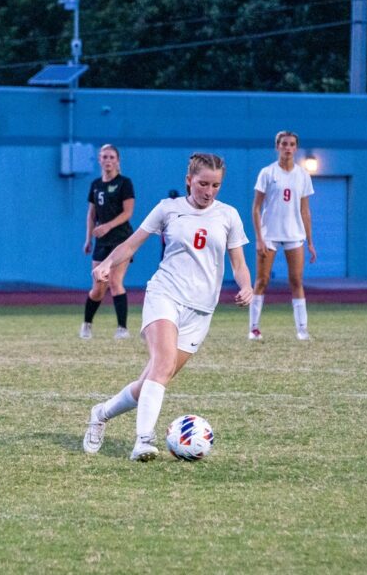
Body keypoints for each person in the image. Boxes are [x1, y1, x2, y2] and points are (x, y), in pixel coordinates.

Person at [82, 152, 253, 461]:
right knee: (161, 366)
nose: (208, 191)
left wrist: (246, 286)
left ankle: (101, 413)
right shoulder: (168, 209)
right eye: (202, 184)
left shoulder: (228, 215)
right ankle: (143, 441)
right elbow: (132, 243)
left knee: (153, 379)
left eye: (215, 185)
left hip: (200, 311)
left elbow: (238, 263)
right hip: (165, 295)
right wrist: (106, 264)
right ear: (189, 181)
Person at [248, 130, 317, 341]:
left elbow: (305, 210)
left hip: (294, 234)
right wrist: (259, 238)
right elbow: (256, 208)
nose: (288, 148)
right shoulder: (267, 173)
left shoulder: (302, 175)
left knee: (296, 280)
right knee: (262, 280)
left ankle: (302, 330)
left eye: (292, 144)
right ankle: (253, 328)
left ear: (296, 148)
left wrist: (311, 242)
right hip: (269, 234)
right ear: (277, 146)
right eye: (284, 144)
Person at [80, 144, 135, 340]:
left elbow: (128, 213)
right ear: (99, 160)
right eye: (104, 157)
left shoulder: (124, 183)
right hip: (101, 242)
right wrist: (88, 239)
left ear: (117, 160)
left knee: (115, 281)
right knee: (98, 287)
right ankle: (86, 324)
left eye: (111, 157)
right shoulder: (96, 185)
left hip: (121, 240)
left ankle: (122, 328)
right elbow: (91, 214)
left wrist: (108, 226)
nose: (108, 160)